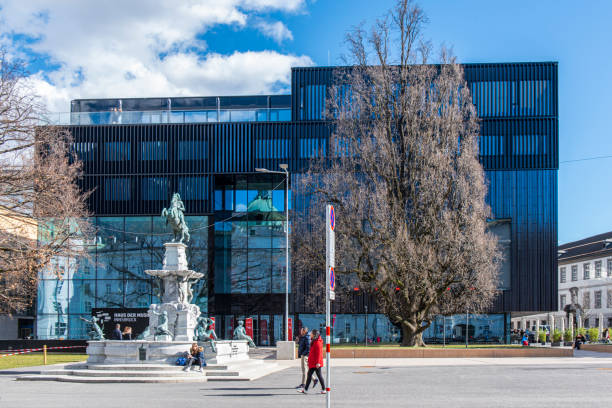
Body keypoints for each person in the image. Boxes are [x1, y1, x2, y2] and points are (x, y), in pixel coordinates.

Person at [298, 329, 326, 394]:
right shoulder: (314, 341)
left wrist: (318, 362)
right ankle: (306, 389)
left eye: (311, 333)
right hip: (313, 362)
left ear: (314, 335)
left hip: (316, 363)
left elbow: (319, 353)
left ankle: (323, 389)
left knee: (316, 375)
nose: (310, 334)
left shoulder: (317, 342)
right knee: (311, 375)